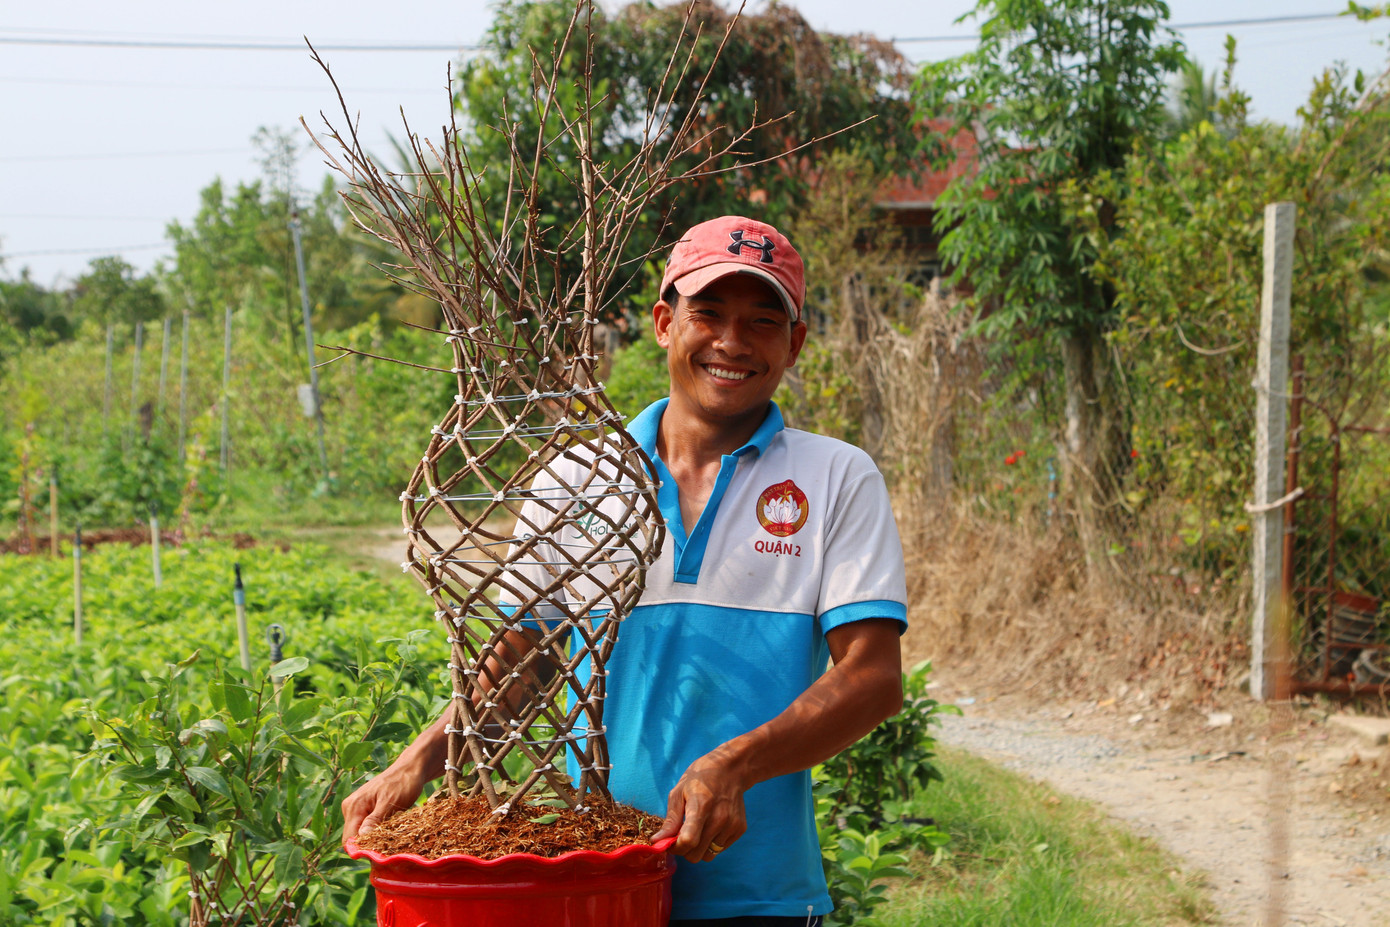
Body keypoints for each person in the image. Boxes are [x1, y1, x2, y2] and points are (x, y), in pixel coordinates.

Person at [342, 215, 907, 926]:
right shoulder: (577, 478)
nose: (733, 342)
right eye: (709, 313)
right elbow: (524, 655)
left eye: (762, 321)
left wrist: (734, 764)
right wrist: (415, 762)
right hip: (594, 889)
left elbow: (873, 677)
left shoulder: (835, 477)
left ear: (793, 343)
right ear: (665, 322)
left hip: (760, 895)